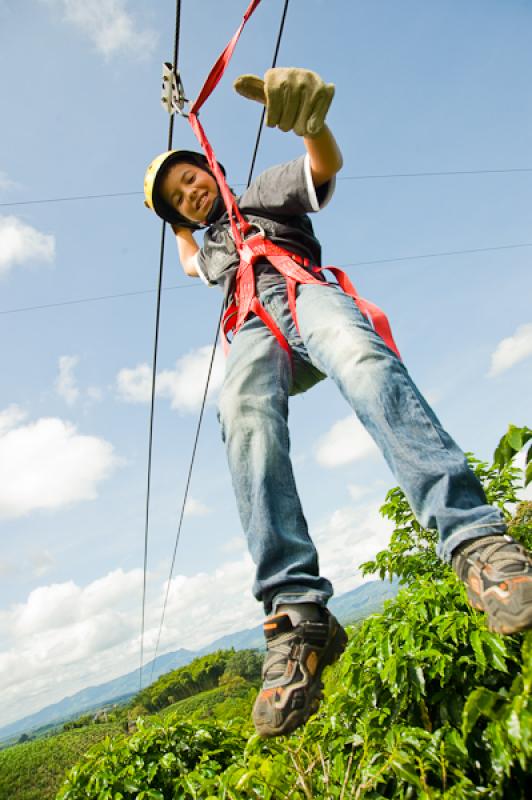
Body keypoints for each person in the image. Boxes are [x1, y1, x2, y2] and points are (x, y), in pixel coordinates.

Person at [144, 68, 532, 738]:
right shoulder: (206, 250)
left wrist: (310, 124)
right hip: (253, 330)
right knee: (241, 418)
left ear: (216, 170)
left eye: (196, 177)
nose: (195, 191)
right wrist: (167, 202)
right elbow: (183, 253)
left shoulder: (260, 195)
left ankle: (476, 542)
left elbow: (323, 167)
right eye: (182, 196)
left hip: (302, 293)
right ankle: (298, 613)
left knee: (362, 361)